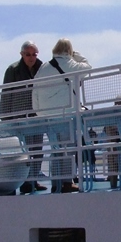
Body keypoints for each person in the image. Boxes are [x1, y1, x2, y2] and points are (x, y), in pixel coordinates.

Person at [33, 38, 92, 193]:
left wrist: (39, 112)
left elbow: (34, 90)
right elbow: (87, 67)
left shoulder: (44, 67)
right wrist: (76, 55)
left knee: (55, 149)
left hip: (47, 116)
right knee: (68, 148)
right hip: (65, 114)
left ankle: (55, 183)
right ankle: (66, 182)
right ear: (69, 51)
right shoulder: (70, 64)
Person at [1, 41, 46, 194]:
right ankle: (22, 182)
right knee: (22, 151)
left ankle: (33, 180)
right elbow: (6, 93)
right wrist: (5, 116)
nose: (31, 58)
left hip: (36, 115)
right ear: (22, 55)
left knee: (37, 150)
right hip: (18, 116)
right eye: (28, 54)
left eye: (34, 54)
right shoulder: (13, 70)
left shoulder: (42, 68)